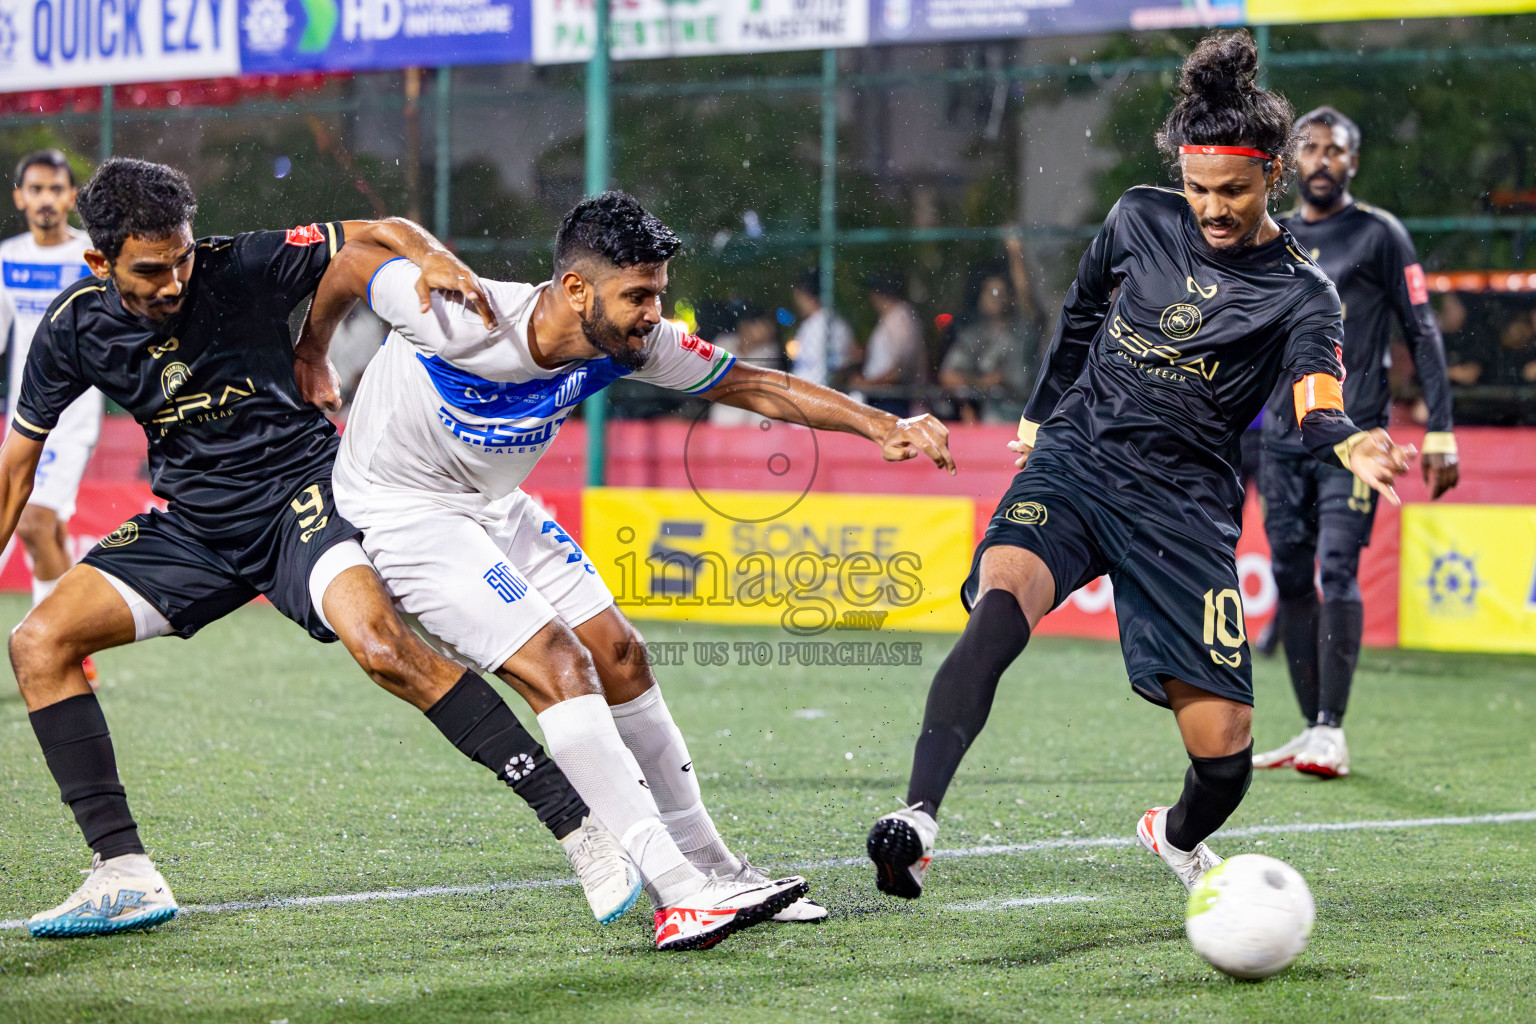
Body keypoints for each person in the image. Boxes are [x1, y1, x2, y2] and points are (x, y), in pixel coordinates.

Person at [295, 191, 957, 950]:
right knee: (559, 662)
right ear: (577, 290)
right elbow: (350, 262)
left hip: (491, 502)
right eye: (638, 295)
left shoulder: (632, 343)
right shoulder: (458, 315)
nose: (653, 312)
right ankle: (679, 895)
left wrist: (882, 425)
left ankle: (717, 868)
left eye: (658, 294)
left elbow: (748, 383)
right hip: (404, 510)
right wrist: (312, 351)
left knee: (620, 654)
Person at [5, 159, 637, 939]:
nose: (173, 282)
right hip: (196, 525)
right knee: (38, 642)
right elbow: (16, 465)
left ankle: (583, 831)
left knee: (382, 648)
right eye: (149, 269)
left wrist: (427, 258)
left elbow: (371, 238)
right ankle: (124, 871)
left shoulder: (242, 263)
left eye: (181, 258)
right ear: (99, 262)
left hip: (304, 493)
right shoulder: (71, 325)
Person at [867, 31, 1415, 901]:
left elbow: (1314, 395)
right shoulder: (1139, 216)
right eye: (1198, 188)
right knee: (1004, 594)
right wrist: (1043, 414)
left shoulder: (1304, 291)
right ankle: (917, 820)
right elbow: (1081, 312)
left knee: (1226, 754)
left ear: (1271, 174)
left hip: (1185, 505)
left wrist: (1347, 437)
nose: (1213, 208)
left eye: (1233, 190)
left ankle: (1175, 833)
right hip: (1082, 459)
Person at [1253, 106, 1459, 779]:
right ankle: (1312, 727)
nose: (1320, 161)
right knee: (1289, 579)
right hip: (1281, 441)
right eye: (1308, 149)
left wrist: (1441, 429)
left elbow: (1422, 332)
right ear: (1291, 162)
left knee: (1336, 568)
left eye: (1333, 150)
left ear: (1353, 160)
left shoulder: (1380, 235)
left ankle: (1331, 730)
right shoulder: (1272, 236)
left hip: (1356, 438)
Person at [2, 151, 104, 685]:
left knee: (34, 521)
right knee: (49, 530)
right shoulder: (5, 259)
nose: (45, 199)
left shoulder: (92, 256)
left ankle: (51, 644)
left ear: (70, 196)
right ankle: (73, 646)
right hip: (23, 416)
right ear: (20, 197)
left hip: (74, 417)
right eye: (34, 189)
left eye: (55, 189)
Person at [938, 237, 1044, 423]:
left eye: (1002, 293)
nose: (996, 298)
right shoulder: (973, 335)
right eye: (991, 292)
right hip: (992, 416)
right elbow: (948, 377)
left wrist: (1016, 254)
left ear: (1010, 297)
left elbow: (1026, 298)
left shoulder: (1022, 329)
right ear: (980, 297)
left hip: (1028, 411)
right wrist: (983, 383)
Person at [850, 273, 926, 416]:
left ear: (877, 293)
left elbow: (900, 371)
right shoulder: (891, 318)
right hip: (881, 397)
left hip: (894, 401)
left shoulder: (901, 319)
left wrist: (868, 383)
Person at [788, 269, 855, 387]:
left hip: (815, 390)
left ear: (806, 295)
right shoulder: (821, 323)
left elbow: (843, 361)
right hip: (806, 390)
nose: (798, 302)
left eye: (799, 297)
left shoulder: (827, 324)